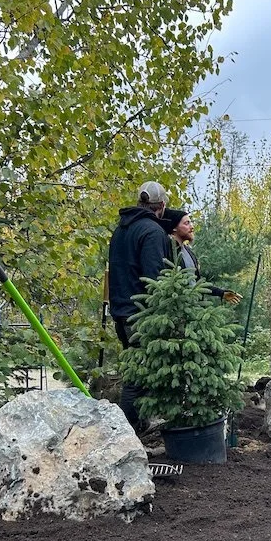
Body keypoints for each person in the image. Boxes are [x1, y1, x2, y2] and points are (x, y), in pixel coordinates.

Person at [108, 180, 171, 428]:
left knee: (137, 374)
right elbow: (154, 278)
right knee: (136, 379)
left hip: (121, 311)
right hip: (142, 315)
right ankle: (126, 435)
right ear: (162, 205)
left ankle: (141, 427)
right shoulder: (152, 232)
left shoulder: (120, 231)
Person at [160, 209, 243, 305]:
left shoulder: (188, 251)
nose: (192, 227)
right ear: (174, 228)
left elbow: (197, 283)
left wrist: (221, 293)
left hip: (194, 309)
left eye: (191, 222)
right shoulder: (167, 251)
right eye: (186, 223)